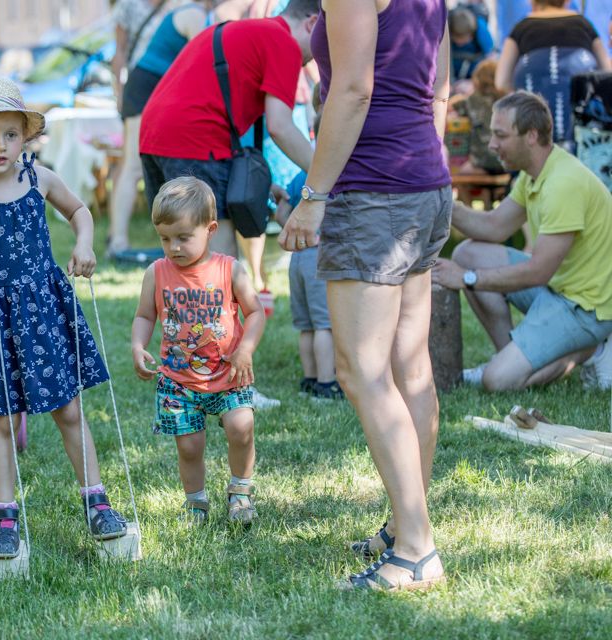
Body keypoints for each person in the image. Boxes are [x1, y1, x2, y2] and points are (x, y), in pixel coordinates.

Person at [279, 0, 451, 590]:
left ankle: (416, 550)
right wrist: (427, 169)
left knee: (363, 371)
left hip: (374, 188)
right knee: (410, 368)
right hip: (423, 179)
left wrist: (314, 195)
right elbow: (439, 93)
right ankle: (409, 524)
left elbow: (351, 89)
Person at [0, 77, 128, 559]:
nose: (0, 145)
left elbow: (80, 212)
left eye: (11, 134)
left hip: (41, 313)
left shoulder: (39, 178)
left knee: (69, 409)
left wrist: (84, 243)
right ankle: (4, 514)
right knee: (2, 421)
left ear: (25, 138)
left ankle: (97, 502)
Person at [433, 91, 612, 391]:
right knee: (467, 251)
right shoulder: (534, 174)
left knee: (497, 382)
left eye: (500, 135)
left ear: (531, 136)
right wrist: (440, 202)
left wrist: (466, 278)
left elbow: (538, 271)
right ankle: (512, 356)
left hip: (588, 306)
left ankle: (592, 349)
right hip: (559, 289)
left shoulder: (562, 184)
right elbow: (493, 226)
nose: (491, 144)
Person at [130, 177, 265, 525]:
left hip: (229, 374)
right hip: (178, 381)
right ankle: (196, 503)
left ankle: (240, 492)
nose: (173, 247)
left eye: (183, 237)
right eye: (164, 238)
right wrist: (137, 345)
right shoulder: (156, 273)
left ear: (211, 229)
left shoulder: (230, 269)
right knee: (189, 447)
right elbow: (146, 315)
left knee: (242, 425)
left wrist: (246, 349)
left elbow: (255, 313)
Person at [139, 0, 317, 260]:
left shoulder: (248, 31)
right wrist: (325, 175)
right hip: (194, 139)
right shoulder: (284, 43)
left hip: (154, 136)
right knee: (216, 262)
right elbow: (280, 126)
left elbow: (212, 104)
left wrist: (265, 184)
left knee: (182, 254)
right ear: (312, 24)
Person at [110, 1, 220, 257]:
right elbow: (203, 58)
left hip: (154, 89)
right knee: (133, 166)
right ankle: (118, 242)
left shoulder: (188, 12)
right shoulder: (193, 14)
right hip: (145, 88)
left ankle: (119, 239)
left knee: (132, 166)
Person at [495, 0, 612, 146]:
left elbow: (501, 82)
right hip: (579, 132)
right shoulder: (584, 25)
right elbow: (607, 73)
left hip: (535, 132)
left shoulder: (521, 28)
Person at [275, 174, 344, 401]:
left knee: (306, 325)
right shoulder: (335, 169)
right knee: (324, 324)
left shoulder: (300, 175)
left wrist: (296, 235)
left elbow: (280, 214)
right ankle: (326, 384)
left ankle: (310, 380)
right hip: (319, 255)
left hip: (297, 257)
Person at [449, 5, 494, 90]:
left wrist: (473, 83)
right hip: (453, 77)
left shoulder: (480, 28)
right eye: (460, 39)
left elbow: (490, 57)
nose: (465, 41)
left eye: (467, 38)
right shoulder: (448, 26)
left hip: (472, 76)